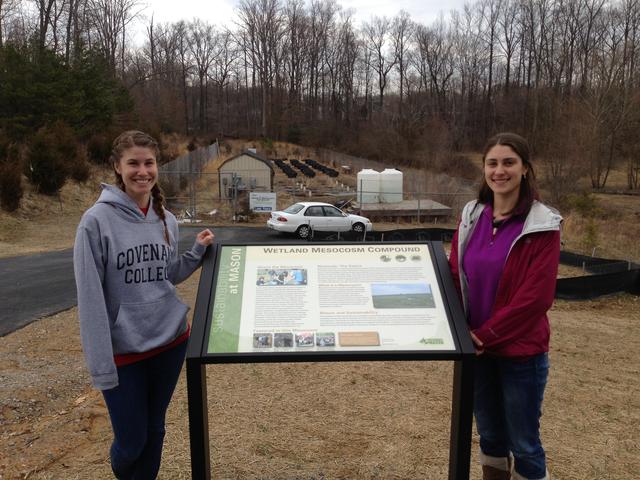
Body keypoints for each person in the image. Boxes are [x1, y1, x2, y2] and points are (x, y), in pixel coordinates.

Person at [73, 130, 215, 479]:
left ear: (157, 167)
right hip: (125, 354)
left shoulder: (166, 219)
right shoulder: (96, 222)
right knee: (131, 442)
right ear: (117, 168)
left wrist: (196, 251)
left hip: (169, 344)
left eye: (149, 163)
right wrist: (102, 367)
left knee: (155, 431)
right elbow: (90, 299)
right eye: (133, 163)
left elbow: (165, 275)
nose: (142, 171)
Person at [448, 133, 562, 480]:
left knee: (524, 442)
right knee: (491, 436)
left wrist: (485, 335)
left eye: (509, 162)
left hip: (520, 354)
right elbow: (455, 274)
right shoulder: (472, 216)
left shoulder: (542, 224)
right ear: (484, 169)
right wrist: (460, 330)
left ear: (525, 169)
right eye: (492, 163)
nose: (500, 171)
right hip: (478, 352)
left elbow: (536, 297)